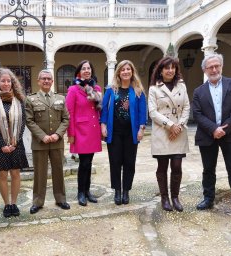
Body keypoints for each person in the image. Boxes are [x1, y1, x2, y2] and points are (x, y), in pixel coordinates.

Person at [192, 53, 231, 218]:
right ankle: (208, 199)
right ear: (205, 70)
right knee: (208, 170)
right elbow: (197, 114)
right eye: (210, 67)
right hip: (208, 136)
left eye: (217, 66)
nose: (214, 69)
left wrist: (224, 128)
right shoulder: (198, 91)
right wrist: (213, 129)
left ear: (221, 66)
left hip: (230, 134)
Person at [101, 60, 147, 205]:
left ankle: (126, 190)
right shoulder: (111, 89)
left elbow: (142, 112)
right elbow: (104, 109)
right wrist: (103, 125)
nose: (126, 72)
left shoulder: (138, 90)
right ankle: (117, 191)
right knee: (115, 162)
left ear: (132, 72)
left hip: (131, 133)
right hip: (114, 133)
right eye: (123, 69)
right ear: (118, 73)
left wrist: (141, 129)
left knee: (129, 162)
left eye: (128, 69)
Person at [148, 56, 190, 212]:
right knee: (162, 166)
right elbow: (152, 112)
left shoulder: (182, 86)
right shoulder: (154, 89)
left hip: (179, 131)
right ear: (161, 70)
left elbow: (186, 107)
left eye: (173, 67)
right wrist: (170, 125)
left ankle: (175, 197)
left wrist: (179, 126)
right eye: (167, 68)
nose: (170, 70)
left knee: (177, 166)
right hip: (162, 131)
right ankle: (164, 198)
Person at [25, 70, 70, 214]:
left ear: (52, 81)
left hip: (57, 142)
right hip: (40, 143)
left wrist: (58, 134)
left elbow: (66, 119)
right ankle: (37, 202)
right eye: (43, 78)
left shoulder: (60, 98)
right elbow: (29, 120)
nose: (46, 81)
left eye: (49, 79)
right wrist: (42, 136)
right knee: (39, 173)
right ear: (38, 81)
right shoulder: (31, 99)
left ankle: (61, 199)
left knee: (58, 171)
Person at [0, 68, 28, 218]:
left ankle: (14, 203)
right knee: (3, 174)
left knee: (16, 173)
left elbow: (23, 121)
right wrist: (2, 144)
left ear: (12, 83)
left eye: (8, 81)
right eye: (3, 81)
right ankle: (6, 204)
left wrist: (15, 142)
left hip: (16, 143)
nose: (6, 83)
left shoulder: (19, 99)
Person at [66, 60, 102, 206]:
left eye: (88, 68)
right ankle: (81, 192)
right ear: (79, 72)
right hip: (81, 131)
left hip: (93, 130)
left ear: (91, 71)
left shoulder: (96, 88)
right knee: (84, 163)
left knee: (90, 162)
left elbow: (100, 108)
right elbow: (69, 112)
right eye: (83, 68)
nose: (86, 71)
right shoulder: (73, 89)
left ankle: (87, 191)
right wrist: (71, 134)